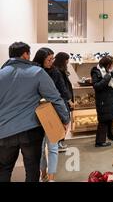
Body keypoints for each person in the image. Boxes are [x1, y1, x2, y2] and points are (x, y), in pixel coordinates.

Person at [0, 42, 69, 182]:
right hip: (30, 130)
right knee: (32, 170)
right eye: (29, 54)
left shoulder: (1, 74)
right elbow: (55, 98)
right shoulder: (37, 72)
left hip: (4, 131)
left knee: (4, 169)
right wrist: (65, 119)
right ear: (25, 54)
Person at [33, 48, 69, 182]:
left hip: (52, 113)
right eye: (49, 59)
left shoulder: (55, 72)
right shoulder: (33, 72)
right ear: (41, 59)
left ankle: (52, 177)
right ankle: (43, 174)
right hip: (36, 114)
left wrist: (64, 115)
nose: (51, 62)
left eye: (53, 59)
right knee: (40, 149)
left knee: (53, 147)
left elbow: (62, 93)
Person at [91, 56, 113, 147]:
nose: (112, 65)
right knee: (103, 120)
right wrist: (107, 78)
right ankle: (100, 141)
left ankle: (110, 135)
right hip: (103, 100)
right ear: (107, 64)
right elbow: (96, 86)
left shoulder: (110, 71)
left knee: (110, 118)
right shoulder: (96, 71)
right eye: (111, 64)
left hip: (110, 98)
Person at [52, 52, 74, 151]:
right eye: (66, 60)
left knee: (62, 121)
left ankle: (59, 142)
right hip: (62, 100)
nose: (68, 62)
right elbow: (62, 87)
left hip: (60, 99)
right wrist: (69, 100)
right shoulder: (58, 71)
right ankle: (59, 142)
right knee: (64, 120)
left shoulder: (56, 70)